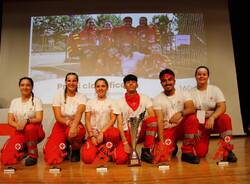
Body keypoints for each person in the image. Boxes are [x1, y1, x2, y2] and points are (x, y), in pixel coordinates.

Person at [191, 66, 237, 162]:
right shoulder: (190, 92)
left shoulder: (215, 89)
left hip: (214, 121)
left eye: (204, 74)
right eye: (199, 74)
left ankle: (228, 151)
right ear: (195, 76)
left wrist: (212, 117)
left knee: (225, 118)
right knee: (200, 154)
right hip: (200, 123)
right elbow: (191, 111)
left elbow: (222, 107)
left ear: (208, 76)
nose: (201, 76)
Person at [153, 68, 200, 164]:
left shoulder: (184, 93)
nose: (167, 83)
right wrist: (161, 143)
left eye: (170, 80)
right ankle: (172, 145)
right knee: (162, 155)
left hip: (182, 128)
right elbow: (160, 121)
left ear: (174, 81)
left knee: (192, 118)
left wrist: (180, 113)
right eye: (164, 81)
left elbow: (192, 108)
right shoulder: (157, 99)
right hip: (168, 129)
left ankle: (187, 152)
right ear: (161, 83)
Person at [1, 77, 45, 166]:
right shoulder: (14, 101)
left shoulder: (36, 100)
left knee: (29, 128)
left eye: (28, 85)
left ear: (32, 87)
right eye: (22, 85)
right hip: (19, 131)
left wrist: (27, 121)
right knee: (6, 158)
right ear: (19, 87)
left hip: (35, 131)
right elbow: (10, 120)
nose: (25, 87)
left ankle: (33, 155)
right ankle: (24, 150)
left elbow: (39, 118)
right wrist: (18, 125)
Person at [44, 72, 86, 164]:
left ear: (77, 82)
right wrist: (68, 123)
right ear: (65, 82)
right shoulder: (57, 96)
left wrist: (74, 125)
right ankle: (65, 146)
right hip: (61, 124)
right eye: (69, 80)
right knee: (51, 157)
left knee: (77, 132)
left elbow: (79, 113)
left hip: (76, 123)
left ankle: (75, 150)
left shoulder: (82, 96)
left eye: (74, 81)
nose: (71, 83)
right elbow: (58, 117)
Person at [115, 74, 158, 164]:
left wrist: (138, 122)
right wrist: (125, 143)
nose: (131, 84)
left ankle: (146, 151)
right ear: (124, 86)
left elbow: (152, 114)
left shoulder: (145, 98)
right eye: (128, 82)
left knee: (152, 121)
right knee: (121, 159)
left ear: (137, 85)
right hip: (127, 134)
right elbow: (119, 124)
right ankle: (120, 150)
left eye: (133, 82)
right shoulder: (118, 101)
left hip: (140, 131)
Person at [81, 78, 120, 164]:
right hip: (94, 135)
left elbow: (113, 119)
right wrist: (91, 136)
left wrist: (102, 133)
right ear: (95, 88)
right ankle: (101, 150)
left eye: (103, 86)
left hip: (106, 134)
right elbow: (87, 120)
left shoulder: (113, 102)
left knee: (115, 132)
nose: (100, 88)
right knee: (87, 159)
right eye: (98, 86)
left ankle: (105, 149)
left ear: (107, 88)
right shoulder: (90, 102)